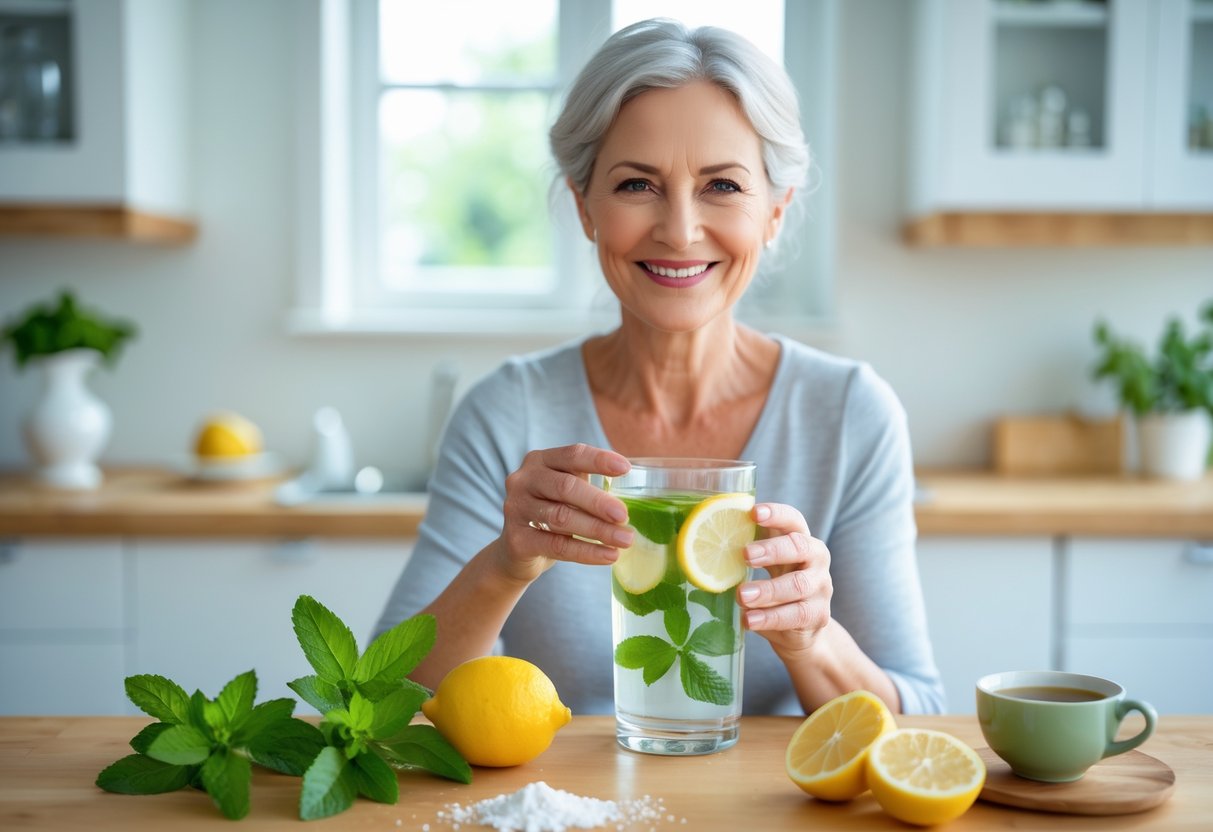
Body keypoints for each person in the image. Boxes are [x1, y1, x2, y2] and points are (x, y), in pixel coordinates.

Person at [375, 18, 945, 716]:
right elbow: (380, 703)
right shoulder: (507, 412)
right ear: (584, 207)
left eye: (723, 186)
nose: (678, 229)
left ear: (774, 210)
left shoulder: (851, 414)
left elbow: (917, 715)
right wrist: (503, 565)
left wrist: (812, 639)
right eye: (637, 184)